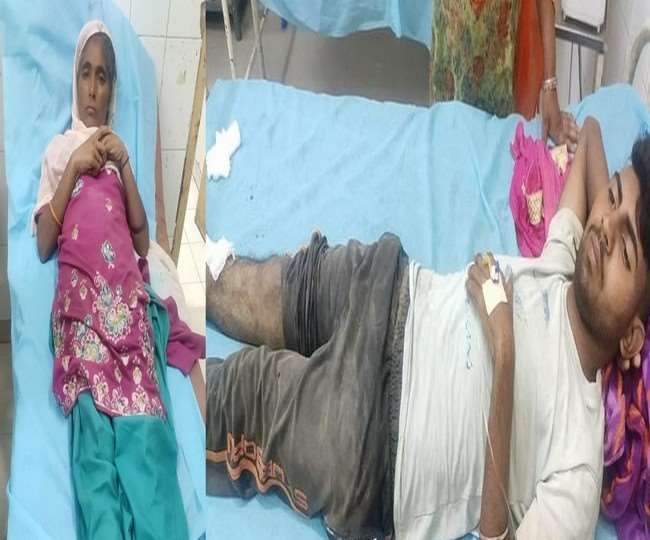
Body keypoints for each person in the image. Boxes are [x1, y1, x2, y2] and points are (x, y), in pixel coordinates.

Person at [205, 116, 650, 539]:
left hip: (376, 440)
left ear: (632, 335)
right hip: (389, 288)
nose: (604, 230)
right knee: (245, 285)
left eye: (625, 251)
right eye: (610, 199)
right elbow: (589, 136)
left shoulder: (578, 463)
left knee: (236, 393)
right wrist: (623, 199)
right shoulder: (561, 264)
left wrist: (505, 354)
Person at [34, 21, 202, 539]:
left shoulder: (117, 155)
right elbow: (43, 243)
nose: (92, 88)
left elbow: (140, 239)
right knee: (93, 445)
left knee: (145, 432)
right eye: (85, 73)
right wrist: (73, 170)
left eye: (103, 77)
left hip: (124, 307)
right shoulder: (60, 152)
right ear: (75, 81)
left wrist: (124, 165)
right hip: (83, 311)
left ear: (112, 90)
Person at [430, 0, 579, 149]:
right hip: (452, 45)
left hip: (499, 67)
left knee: (498, 148)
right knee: (447, 141)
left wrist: (549, 88)